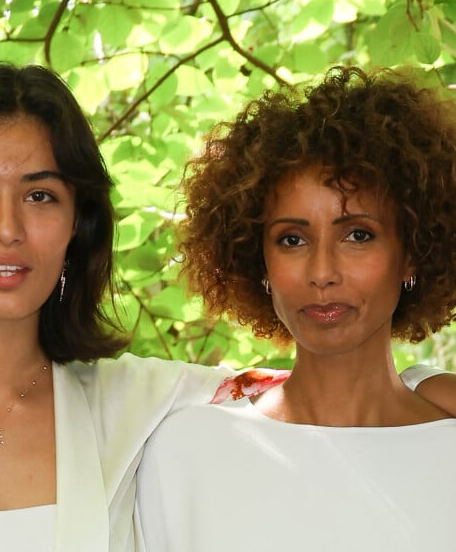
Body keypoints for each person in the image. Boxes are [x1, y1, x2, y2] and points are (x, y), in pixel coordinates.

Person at [0, 64, 453, 552]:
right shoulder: (168, 429)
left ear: (78, 225)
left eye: (40, 195)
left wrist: (425, 383)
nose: (7, 228)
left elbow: (324, 384)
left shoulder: (138, 404)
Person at [137, 66, 456, 551]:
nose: (322, 271)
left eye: (358, 235)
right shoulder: (189, 453)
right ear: (257, 260)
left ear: (412, 251)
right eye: (292, 239)